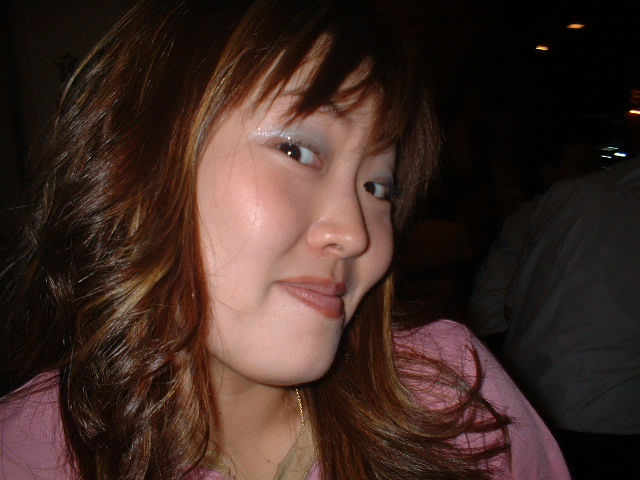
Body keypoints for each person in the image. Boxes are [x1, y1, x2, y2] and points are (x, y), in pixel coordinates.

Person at [0, 1, 569, 479]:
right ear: (137, 164)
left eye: (377, 186)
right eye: (297, 151)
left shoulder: (453, 398)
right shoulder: (25, 453)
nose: (355, 234)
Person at [496, 159, 640, 479]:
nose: (589, 170)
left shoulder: (567, 199)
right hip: (599, 408)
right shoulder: (583, 201)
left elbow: (507, 303)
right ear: (548, 170)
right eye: (580, 163)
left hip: (533, 398)